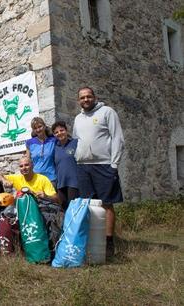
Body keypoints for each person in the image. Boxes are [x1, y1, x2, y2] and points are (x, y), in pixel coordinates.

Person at [73, 87, 125, 258]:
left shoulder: (107, 112)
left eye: (89, 96)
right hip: (83, 166)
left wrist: (114, 164)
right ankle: (92, 240)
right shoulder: (78, 118)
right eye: (82, 97)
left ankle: (109, 242)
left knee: (106, 203)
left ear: (95, 97)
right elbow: (76, 142)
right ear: (79, 100)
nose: (86, 100)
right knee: (87, 204)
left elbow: (117, 137)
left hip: (103, 165)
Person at [51, 121, 79, 211]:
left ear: (66, 130)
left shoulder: (75, 143)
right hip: (61, 184)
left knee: (74, 209)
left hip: (74, 183)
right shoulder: (55, 148)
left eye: (61, 130)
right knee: (63, 210)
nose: (59, 133)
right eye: (56, 132)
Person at [25, 117, 57, 185]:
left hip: (51, 178)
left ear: (44, 126)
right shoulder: (30, 143)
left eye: (40, 126)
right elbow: (28, 161)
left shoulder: (53, 141)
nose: (38, 129)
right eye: (35, 128)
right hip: (36, 178)